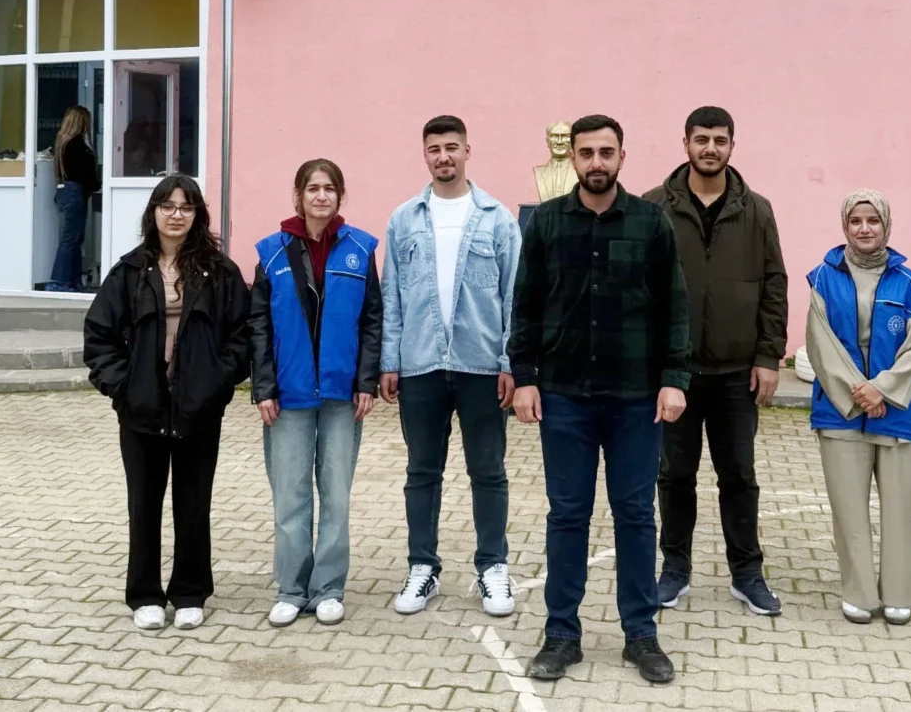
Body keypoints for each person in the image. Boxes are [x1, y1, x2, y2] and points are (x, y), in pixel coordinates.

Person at [510, 115, 691, 686]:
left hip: (636, 399)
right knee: (567, 515)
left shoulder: (650, 221)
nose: (596, 162)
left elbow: (674, 306)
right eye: (586, 152)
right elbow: (525, 304)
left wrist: (675, 378)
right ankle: (561, 634)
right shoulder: (546, 223)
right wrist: (524, 376)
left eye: (605, 152)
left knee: (635, 516)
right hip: (564, 397)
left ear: (621, 157)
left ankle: (641, 634)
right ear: (574, 158)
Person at [83, 175, 250, 631]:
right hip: (143, 409)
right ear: (153, 212)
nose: (177, 215)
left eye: (186, 207)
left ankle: (190, 592)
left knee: (194, 503)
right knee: (144, 505)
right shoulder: (128, 272)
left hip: (199, 409)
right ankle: (145, 595)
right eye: (168, 206)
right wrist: (124, 386)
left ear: (198, 215)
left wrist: (217, 382)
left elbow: (243, 335)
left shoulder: (220, 272)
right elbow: (99, 338)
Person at [646, 105, 788, 615]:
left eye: (720, 140)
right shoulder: (653, 206)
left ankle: (747, 573)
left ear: (732, 145)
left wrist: (769, 356)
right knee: (674, 476)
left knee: (739, 477)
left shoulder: (757, 210)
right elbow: (640, 289)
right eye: (701, 139)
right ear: (685, 143)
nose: (710, 148)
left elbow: (774, 284)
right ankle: (674, 569)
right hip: (675, 375)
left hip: (736, 374)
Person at [380, 115, 522, 618]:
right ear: (425, 155)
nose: (444, 156)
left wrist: (511, 362)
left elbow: (515, 296)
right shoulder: (403, 219)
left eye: (452, 147)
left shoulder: (497, 218)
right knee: (422, 471)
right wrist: (390, 360)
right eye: (434, 149)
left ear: (467, 151)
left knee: (489, 471)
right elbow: (392, 296)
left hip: (481, 365)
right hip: (419, 363)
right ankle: (423, 567)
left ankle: (493, 568)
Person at [248, 158, 383, 629]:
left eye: (329, 188)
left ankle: (328, 589)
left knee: (336, 495)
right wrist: (263, 387)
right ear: (298, 196)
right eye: (312, 188)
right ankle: (291, 589)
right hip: (289, 396)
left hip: (343, 396)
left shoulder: (360, 248)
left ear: (340, 196)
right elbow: (258, 326)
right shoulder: (271, 252)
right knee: (290, 495)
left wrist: (366, 381)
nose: (321, 196)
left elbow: (372, 320)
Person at [805, 190, 911, 625]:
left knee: (901, 509)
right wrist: (859, 394)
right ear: (845, 225)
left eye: (873, 220)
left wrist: (883, 390)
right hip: (841, 412)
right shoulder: (823, 278)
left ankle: (899, 592)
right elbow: (820, 343)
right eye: (856, 220)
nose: (864, 228)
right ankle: (858, 592)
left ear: (886, 225)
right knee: (849, 510)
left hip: (898, 412)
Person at [46, 104, 100, 292]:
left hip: (67, 192)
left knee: (74, 238)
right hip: (74, 192)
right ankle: (59, 281)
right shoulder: (76, 146)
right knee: (71, 238)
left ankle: (71, 280)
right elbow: (84, 173)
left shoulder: (63, 144)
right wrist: (96, 184)